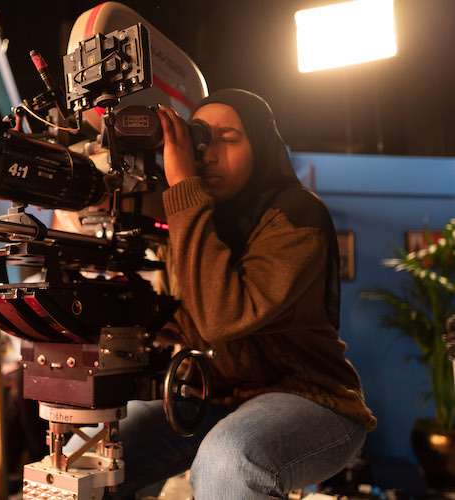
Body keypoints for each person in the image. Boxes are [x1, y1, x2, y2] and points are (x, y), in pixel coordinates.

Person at [98, 89, 376, 499]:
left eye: (228, 139)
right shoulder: (195, 218)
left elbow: (222, 319)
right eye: (199, 140)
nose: (208, 154)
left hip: (315, 400)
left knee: (229, 460)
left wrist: (183, 189)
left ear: (261, 146)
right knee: (99, 454)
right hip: (221, 401)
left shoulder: (296, 214)